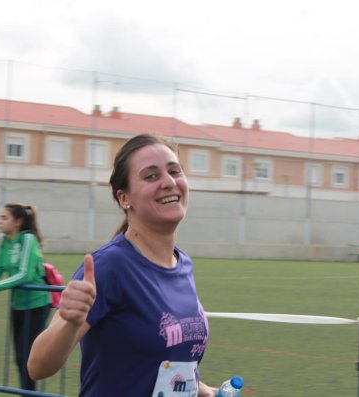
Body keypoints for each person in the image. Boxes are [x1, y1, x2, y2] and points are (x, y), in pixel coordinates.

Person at [28, 134, 219, 396]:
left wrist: (204, 390)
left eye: (174, 171)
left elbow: (164, 366)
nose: (169, 182)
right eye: (151, 176)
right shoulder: (109, 266)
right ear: (124, 198)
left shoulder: (183, 264)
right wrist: (70, 322)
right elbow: (37, 366)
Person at [0, 203, 51, 394]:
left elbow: (25, 275)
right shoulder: (4, 241)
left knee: (28, 357)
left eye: (4, 218)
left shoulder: (28, 239)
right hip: (17, 306)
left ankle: (29, 394)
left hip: (36, 304)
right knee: (20, 358)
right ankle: (28, 393)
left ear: (18, 222)